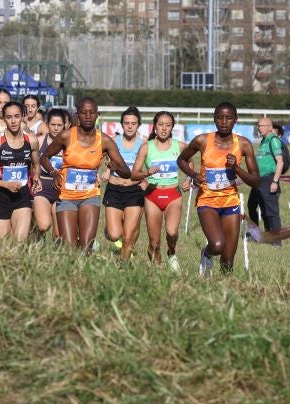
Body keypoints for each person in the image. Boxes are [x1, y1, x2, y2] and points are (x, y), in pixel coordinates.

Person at [178, 102, 260, 275]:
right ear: (214, 119)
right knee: (217, 245)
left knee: (228, 260)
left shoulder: (243, 145)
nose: (224, 122)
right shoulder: (202, 140)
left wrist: (236, 168)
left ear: (235, 120)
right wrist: (193, 175)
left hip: (230, 202)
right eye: (220, 118)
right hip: (207, 201)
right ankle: (206, 254)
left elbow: (256, 181)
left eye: (228, 118)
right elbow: (181, 160)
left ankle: (225, 292)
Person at [40, 97, 132, 250]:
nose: (88, 116)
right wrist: (54, 173)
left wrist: (115, 167)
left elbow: (127, 172)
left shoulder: (105, 140)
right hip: (67, 196)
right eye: (84, 113)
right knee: (68, 247)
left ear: (97, 115)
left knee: (86, 246)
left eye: (91, 113)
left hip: (90, 197)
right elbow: (44, 157)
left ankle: (84, 272)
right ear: (77, 115)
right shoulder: (66, 136)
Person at [132, 111, 190, 270]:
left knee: (172, 232)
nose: (164, 128)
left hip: (173, 195)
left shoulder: (180, 146)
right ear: (155, 126)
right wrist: (145, 174)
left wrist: (187, 179)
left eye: (168, 125)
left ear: (172, 127)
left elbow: (190, 163)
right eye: (161, 124)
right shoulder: (146, 147)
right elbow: (134, 173)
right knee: (154, 242)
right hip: (152, 196)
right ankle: (156, 270)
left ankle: (172, 252)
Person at [0, 101, 42, 240]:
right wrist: (6, 185)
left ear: (23, 117)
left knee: (19, 242)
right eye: (9, 117)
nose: (13, 121)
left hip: (22, 196)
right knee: (2, 246)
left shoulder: (31, 141)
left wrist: (37, 177)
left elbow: (36, 165)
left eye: (17, 116)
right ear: (4, 118)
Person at [102, 107, 148, 263]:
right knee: (115, 234)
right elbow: (100, 159)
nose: (130, 126)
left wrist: (145, 181)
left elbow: (150, 167)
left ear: (138, 125)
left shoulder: (144, 144)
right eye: (127, 123)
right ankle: (109, 231)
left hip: (134, 191)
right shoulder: (112, 142)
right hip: (114, 189)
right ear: (122, 124)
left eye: (133, 123)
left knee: (128, 234)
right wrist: (105, 172)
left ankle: (123, 265)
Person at [33, 108, 69, 242]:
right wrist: (35, 178)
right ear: (47, 124)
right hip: (43, 186)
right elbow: (33, 164)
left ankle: (55, 256)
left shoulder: (69, 144)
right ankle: (36, 235)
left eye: (59, 125)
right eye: (53, 125)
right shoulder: (39, 141)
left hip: (62, 189)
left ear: (64, 125)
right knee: (43, 225)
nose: (56, 128)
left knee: (59, 234)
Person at [247, 117, 284, 231]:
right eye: (258, 126)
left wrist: (275, 181)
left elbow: (280, 162)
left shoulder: (273, 140)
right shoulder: (264, 140)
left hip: (268, 179)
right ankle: (258, 233)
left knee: (271, 211)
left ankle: (276, 239)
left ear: (269, 127)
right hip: (258, 180)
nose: (259, 128)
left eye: (262, 126)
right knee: (252, 206)